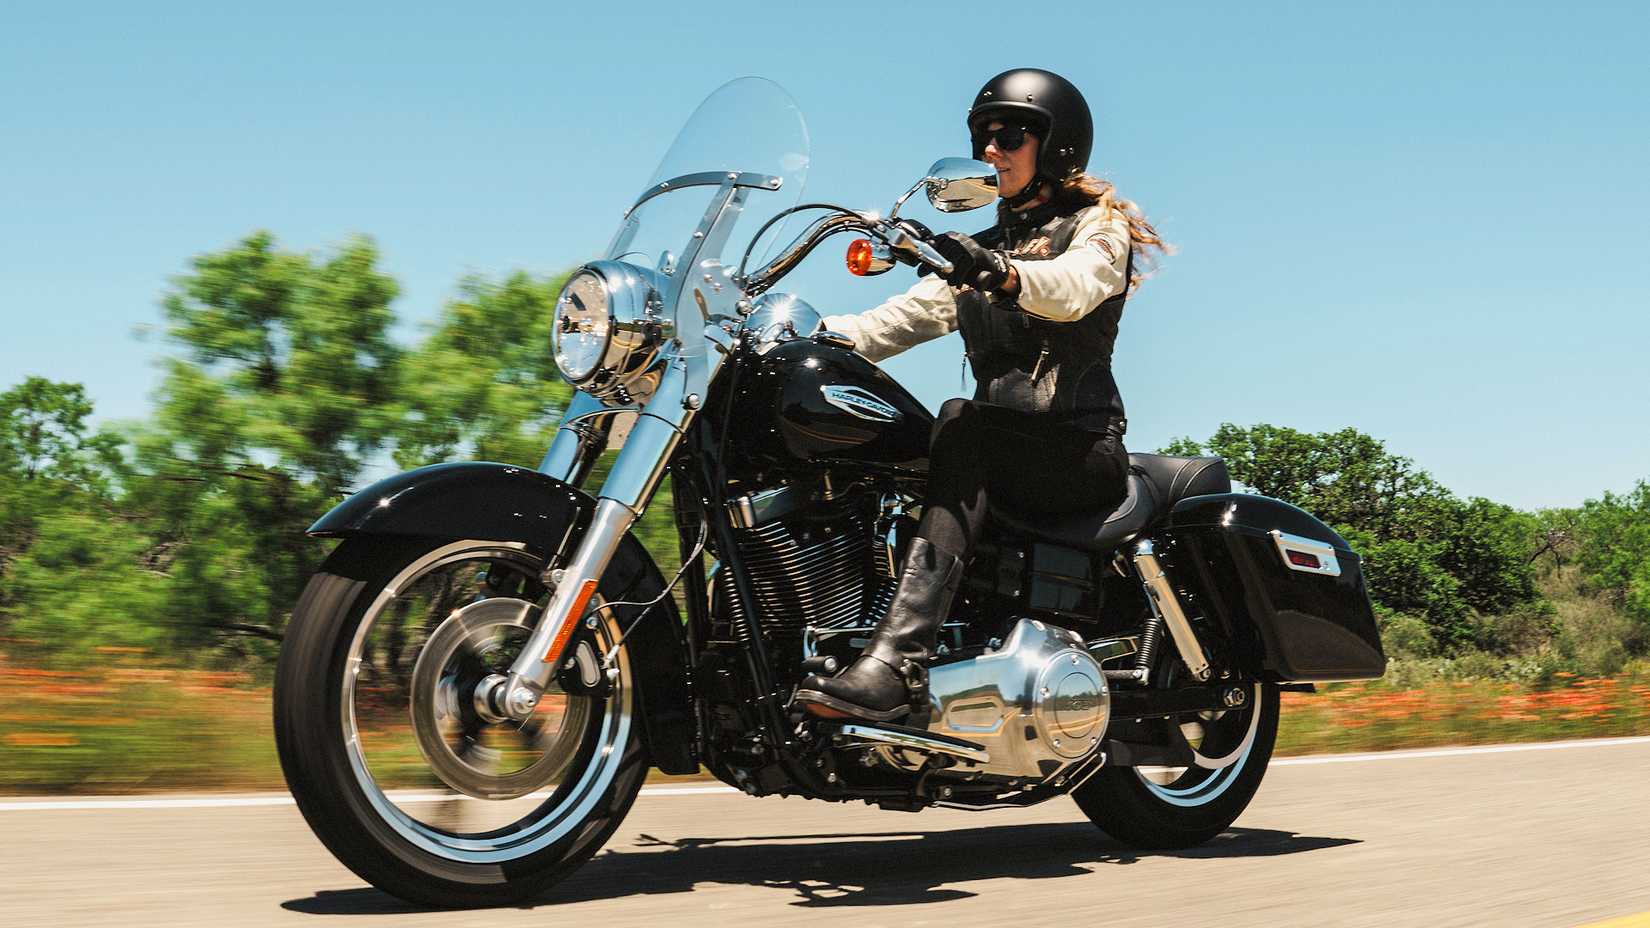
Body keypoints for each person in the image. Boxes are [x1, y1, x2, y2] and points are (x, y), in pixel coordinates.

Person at [794, 67, 1170, 722]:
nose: (991, 150)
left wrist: (1002, 273)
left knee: (960, 423)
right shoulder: (986, 250)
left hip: (1079, 449)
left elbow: (1074, 287)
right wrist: (799, 335)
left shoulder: (1096, 228)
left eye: (1011, 136)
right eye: (983, 139)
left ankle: (898, 666)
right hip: (1003, 449)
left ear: (1057, 144)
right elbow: (894, 322)